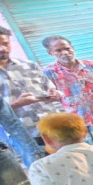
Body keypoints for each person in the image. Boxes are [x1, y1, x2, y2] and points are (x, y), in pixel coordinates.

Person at [0, 26, 56, 167]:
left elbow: (48, 87)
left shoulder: (29, 65)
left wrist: (54, 93)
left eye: (5, 43)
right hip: (25, 134)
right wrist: (18, 104)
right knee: (42, 171)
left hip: (53, 125)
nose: (2, 48)